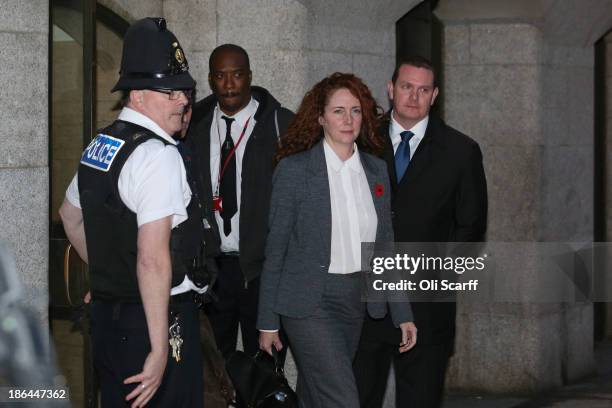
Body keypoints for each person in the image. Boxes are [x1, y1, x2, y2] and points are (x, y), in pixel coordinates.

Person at [59, 17, 209, 407]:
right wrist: (160, 349)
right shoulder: (158, 155)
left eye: (185, 90)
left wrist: (110, 276)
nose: (183, 100)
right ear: (138, 94)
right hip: (158, 321)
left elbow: (69, 216)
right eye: (171, 91)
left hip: (110, 320)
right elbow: (153, 259)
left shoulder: (100, 145)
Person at [257, 72, 417, 408]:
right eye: (338, 111)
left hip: (356, 300)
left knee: (317, 395)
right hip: (308, 303)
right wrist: (267, 321)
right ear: (320, 118)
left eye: (355, 111)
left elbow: (384, 247)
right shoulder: (295, 171)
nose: (348, 120)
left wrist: (402, 312)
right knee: (342, 399)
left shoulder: (375, 171)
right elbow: (276, 250)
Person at [353, 56, 488, 408]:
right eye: (406, 87)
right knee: (358, 397)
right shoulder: (360, 140)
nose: (414, 97)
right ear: (391, 89)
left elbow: (470, 228)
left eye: (423, 89)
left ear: (435, 95)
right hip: (365, 302)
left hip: (426, 305)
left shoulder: (461, 151)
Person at [186, 44, 294, 359]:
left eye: (237, 75)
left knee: (264, 373)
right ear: (210, 80)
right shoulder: (194, 128)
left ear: (250, 77)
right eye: (220, 76)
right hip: (213, 273)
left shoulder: (281, 125)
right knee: (212, 371)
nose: (229, 84)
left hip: (262, 273)